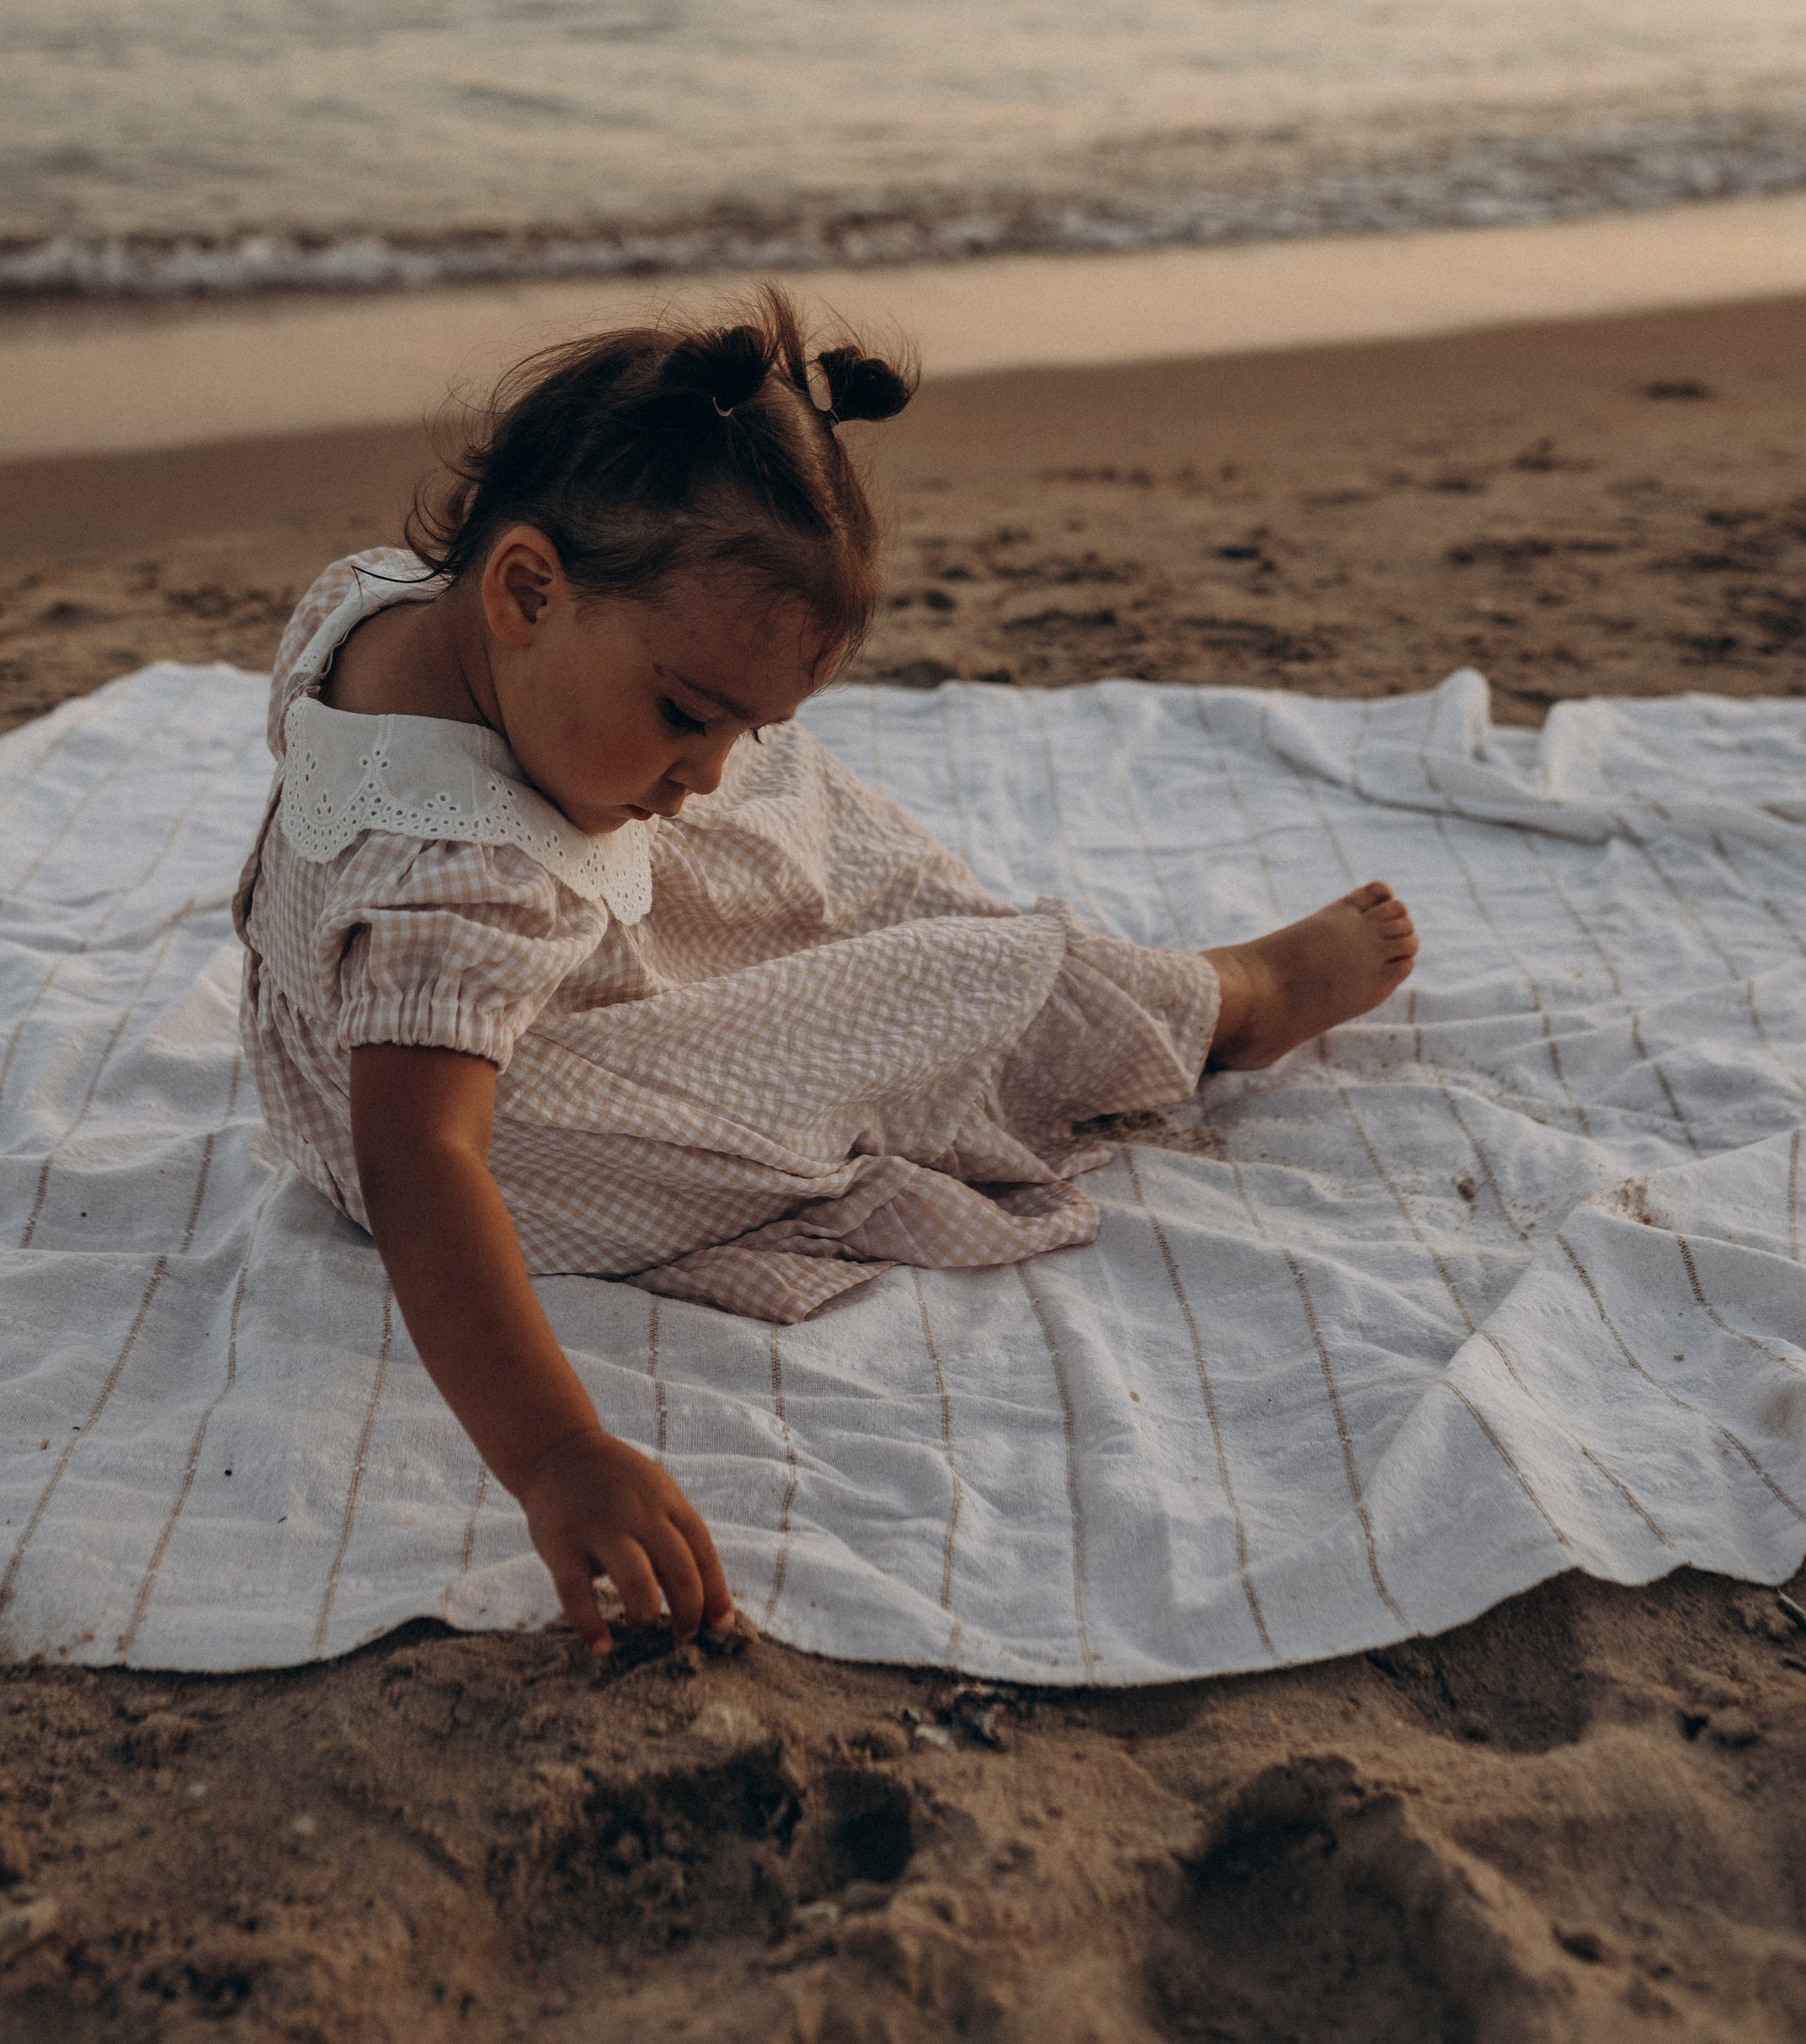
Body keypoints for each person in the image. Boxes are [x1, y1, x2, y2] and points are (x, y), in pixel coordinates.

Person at [233, 290, 1416, 1658]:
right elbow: (423, 1159)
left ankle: (941, 931)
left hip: (349, 1048)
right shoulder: (456, 895)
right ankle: (1223, 1003)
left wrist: (695, 741)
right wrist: (559, 1453)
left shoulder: (379, 606)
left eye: (737, 718)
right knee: (957, 991)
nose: (708, 764)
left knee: (777, 815)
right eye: (689, 712)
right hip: (522, 1141)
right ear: (525, 590)